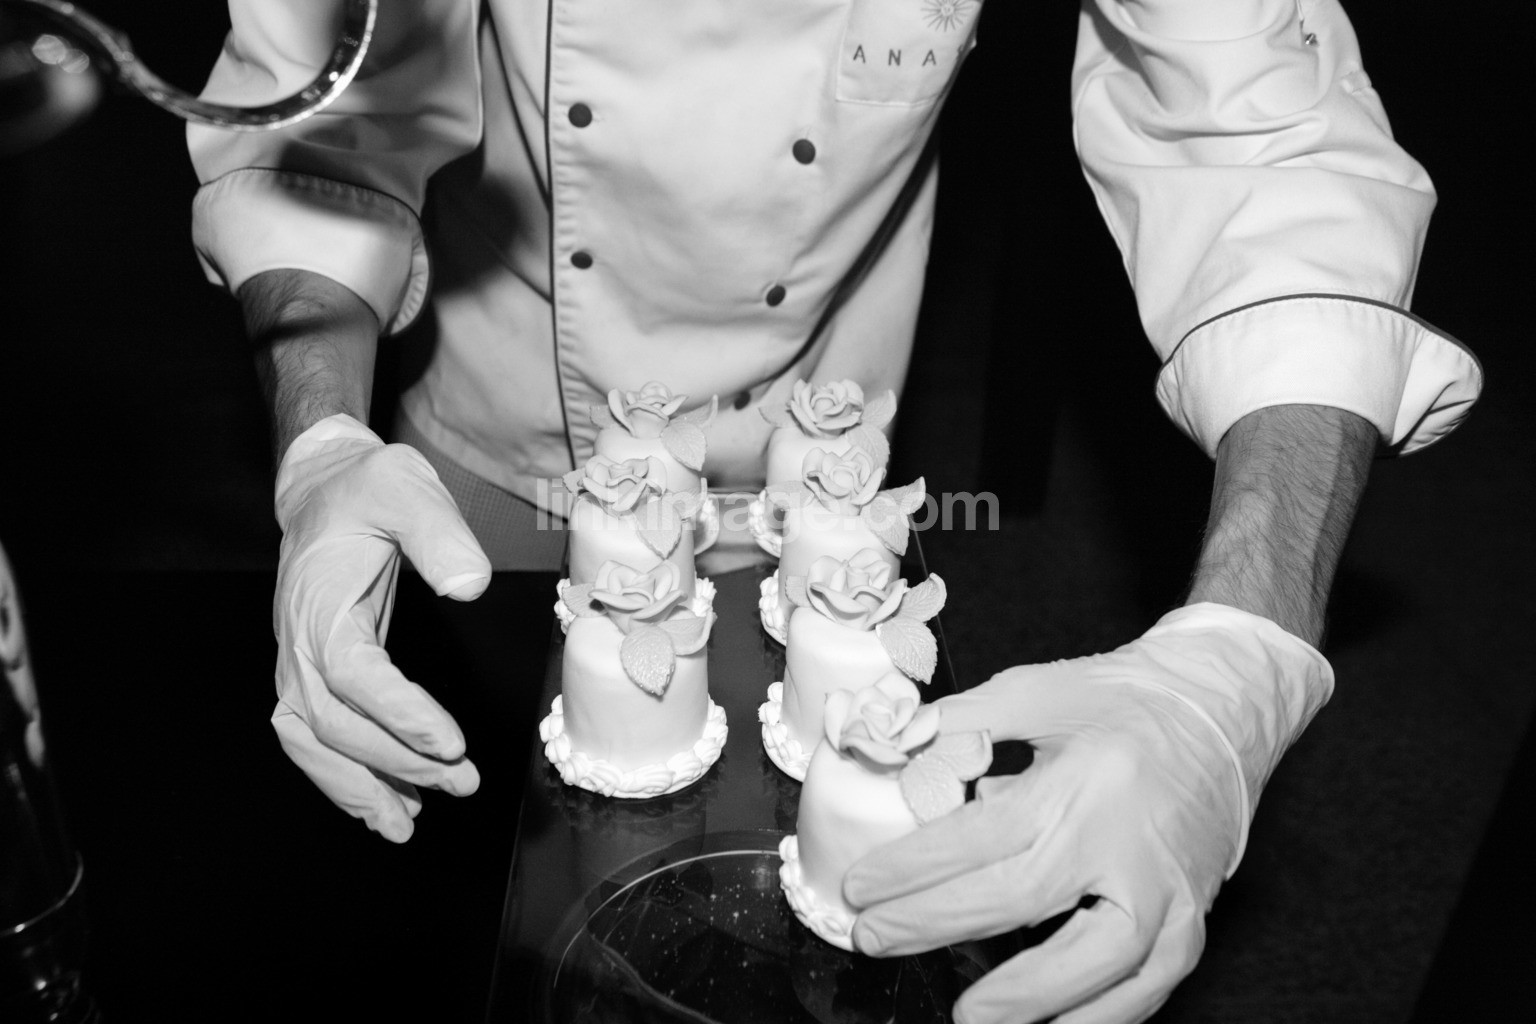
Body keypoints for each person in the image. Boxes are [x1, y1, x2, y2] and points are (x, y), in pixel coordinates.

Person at [187, 1, 1480, 1021]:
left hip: (829, 451)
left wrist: (1242, 648)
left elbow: (1262, 140)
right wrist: (324, 444)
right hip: (498, 428)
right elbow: (327, 118)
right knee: (488, 907)